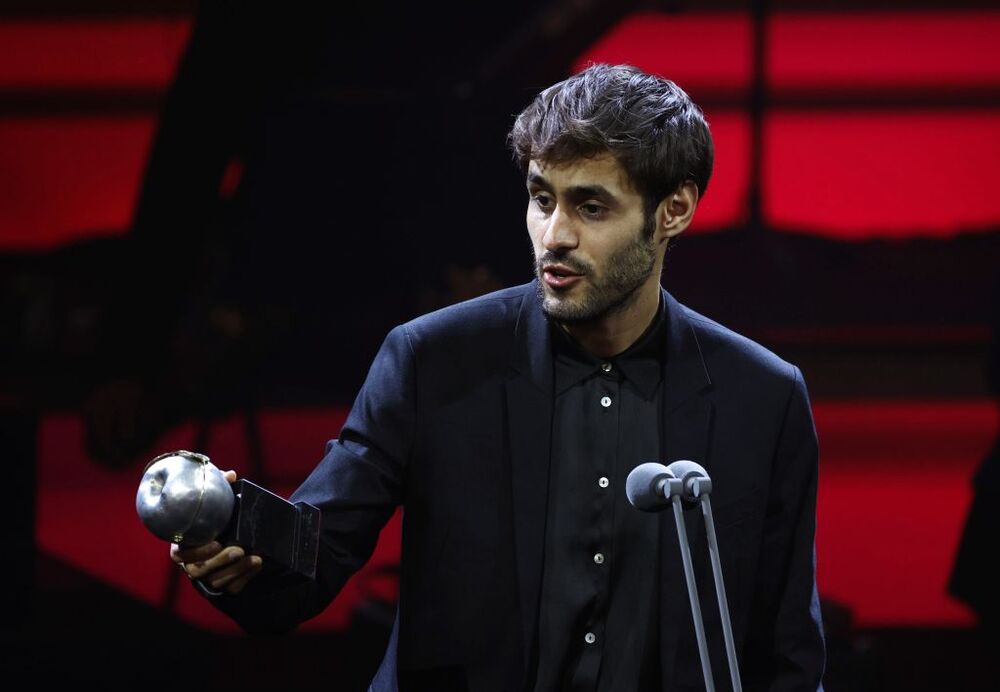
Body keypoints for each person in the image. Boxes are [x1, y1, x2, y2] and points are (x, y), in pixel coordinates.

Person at [171, 64, 825, 691]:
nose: (554, 235)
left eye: (590, 207)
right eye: (542, 200)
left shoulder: (762, 399)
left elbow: (786, 652)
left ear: (673, 210)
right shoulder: (432, 360)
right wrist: (236, 544)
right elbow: (312, 559)